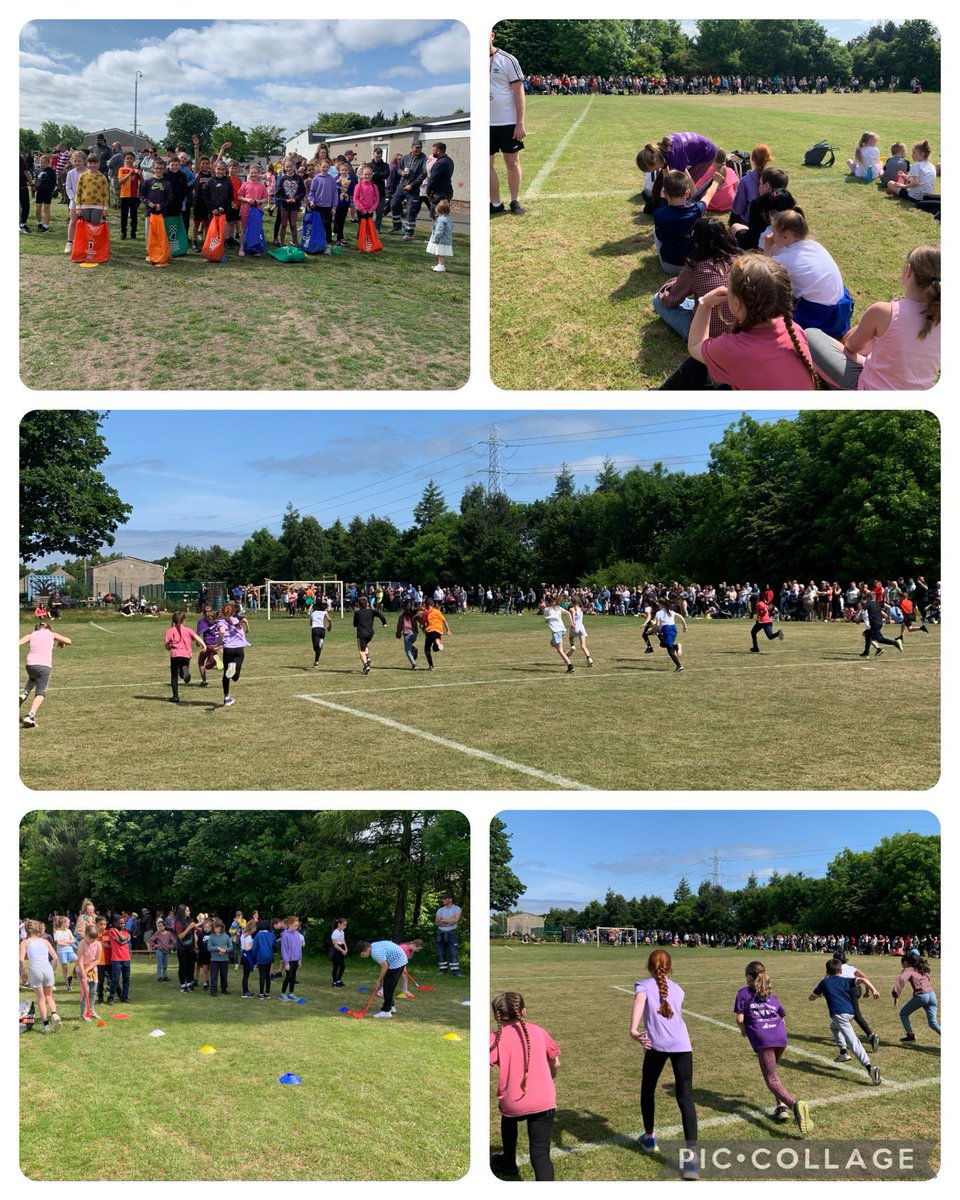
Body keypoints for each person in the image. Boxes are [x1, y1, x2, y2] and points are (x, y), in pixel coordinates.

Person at [662, 254, 819, 390]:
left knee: (695, 365)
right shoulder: (794, 329)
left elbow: (695, 346)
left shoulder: (732, 348)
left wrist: (705, 303)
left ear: (737, 303)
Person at [805, 244, 940, 390]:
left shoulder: (883, 311)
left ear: (908, 271)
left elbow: (851, 346)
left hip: (870, 389)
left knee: (810, 335)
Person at [630, 949, 699, 1180]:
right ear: (670, 967)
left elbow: (640, 1001)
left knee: (648, 1089)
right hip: (682, 1045)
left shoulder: (643, 986)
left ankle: (649, 1138)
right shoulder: (678, 989)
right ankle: (692, 1159)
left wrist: (633, 1029)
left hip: (656, 1045)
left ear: (649, 966)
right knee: (686, 1097)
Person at [489, 991, 560, 1181]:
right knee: (540, 1153)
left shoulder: (494, 1038)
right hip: (544, 1100)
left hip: (512, 1103)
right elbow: (556, 1063)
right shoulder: (540, 1031)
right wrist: (549, 1079)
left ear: (496, 1016)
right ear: (524, 1011)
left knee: (508, 1118)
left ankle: (508, 1161)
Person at [734, 961, 811, 1132]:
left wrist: (743, 1029)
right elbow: (782, 1017)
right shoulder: (770, 994)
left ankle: (794, 1105)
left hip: (764, 1040)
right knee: (773, 1072)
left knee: (771, 1079)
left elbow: (740, 1018)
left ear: (749, 976)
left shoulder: (743, 992)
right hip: (780, 1036)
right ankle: (781, 1107)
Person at [764, 209, 851, 338]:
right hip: (841, 301)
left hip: (817, 312)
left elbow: (764, 274)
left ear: (786, 236)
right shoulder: (814, 245)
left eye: (774, 232)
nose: (771, 235)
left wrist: (767, 246)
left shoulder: (787, 258)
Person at [653, 217, 741, 342]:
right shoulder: (740, 261)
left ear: (696, 240)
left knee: (657, 299)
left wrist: (673, 283)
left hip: (704, 337)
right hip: (739, 331)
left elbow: (670, 300)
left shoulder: (695, 266)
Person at [809, 958, 881, 1085]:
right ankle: (843, 1052)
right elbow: (863, 979)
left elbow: (811, 997)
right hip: (851, 1013)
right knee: (834, 1027)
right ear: (841, 970)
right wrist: (874, 990)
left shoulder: (824, 982)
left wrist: (818, 995)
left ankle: (870, 1068)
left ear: (827, 971)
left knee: (853, 1041)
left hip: (839, 1015)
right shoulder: (846, 980)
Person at [652, 169, 724, 274]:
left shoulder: (658, 214)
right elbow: (708, 195)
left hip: (669, 266)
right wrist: (716, 181)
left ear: (664, 193)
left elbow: (660, 236)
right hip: (692, 263)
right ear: (687, 193)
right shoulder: (696, 210)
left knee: (655, 231)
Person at [489, 30, 526, 217]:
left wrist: (520, 123)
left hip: (507, 121)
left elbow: (519, 92)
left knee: (512, 162)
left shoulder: (507, 60)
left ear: (492, 35)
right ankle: (495, 203)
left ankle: (514, 200)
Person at [20, 619, 72, 728]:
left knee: (33, 678)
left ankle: (24, 694)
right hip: (44, 666)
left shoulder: (32, 635)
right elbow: (68, 641)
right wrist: (60, 641)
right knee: (41, 692)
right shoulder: (52, 634)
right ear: (48, 628)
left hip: (30, 665)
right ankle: (30, 716)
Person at [19, 921, 61, 1034]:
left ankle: (46, 1025)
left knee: (41, 999)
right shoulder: (45, 941)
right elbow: (56, 958)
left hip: (35, 970)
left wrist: (23, 972)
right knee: (49, 996)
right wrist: (54, 970)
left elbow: (21, 960)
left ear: (27, 930)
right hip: (48, 968)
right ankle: (54, 1014)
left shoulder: (25, 942)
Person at [893, 949, 940, 1042]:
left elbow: (901, 980)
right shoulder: (921, 968)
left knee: (903, 1013)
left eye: (902, 964)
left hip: (922, 996)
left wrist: (895, 994)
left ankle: (910, 1035)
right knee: (933, 1023)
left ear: (905, 962)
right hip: (932, 994)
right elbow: (928, 978)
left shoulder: (908, 969)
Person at [354, 938, 408, 1017]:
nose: (362, 956)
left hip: (397, 962)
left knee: (388, 987)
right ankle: (391, 1007)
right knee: (389, 986)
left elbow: (385, 967)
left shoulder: (376, 952)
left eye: (363, 954)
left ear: (368, 949)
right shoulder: (373, 946)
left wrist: (379, 980)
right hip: (398, 959)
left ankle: (386, 1011)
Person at [389, 140, 427, 239]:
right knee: (393, 204)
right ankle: (397, 225)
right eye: (416, 147)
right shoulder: (405, 157)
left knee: (411, 210)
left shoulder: (424, 159)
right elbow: (399, 168)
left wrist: (412, 185)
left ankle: (409, 232)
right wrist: (401, 173)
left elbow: (423, 175)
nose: (418, 149)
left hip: (413, 189)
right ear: (412, 147)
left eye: (420, 147)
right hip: (401, 186)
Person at [164, 611, 204, 703]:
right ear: (183, 620)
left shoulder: (170, 630)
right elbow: (196, 637)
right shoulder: (188, 630)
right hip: (186, 655)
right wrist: (204, 645)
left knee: (174, 676)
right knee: (183, 672)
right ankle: (184, 671)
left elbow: (166, 645)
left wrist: (169, 647)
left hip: (175, 654)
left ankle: (175, 696)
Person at [216, 602, 250, 706]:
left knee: (226, 675)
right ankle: (234, 670)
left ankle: (226, 697)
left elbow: (222, 632)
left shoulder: (221, 622)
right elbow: (245, 621)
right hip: (239, 649)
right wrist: (247, 629)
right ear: (234, 612)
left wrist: (219, 644)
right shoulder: (236, 620)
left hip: (228, 649)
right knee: (235, 677)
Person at [730, 144, 773, 225]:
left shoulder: (745, 181)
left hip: (749, 222)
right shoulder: (775, 178)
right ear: (769, 158)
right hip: (770, 222)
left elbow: (737, 208)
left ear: (752, 159)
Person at [886, 140, 937, 205]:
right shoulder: (931, 166)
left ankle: (895, 192)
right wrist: (904, 176)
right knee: (902, 186)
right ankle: (895, 192)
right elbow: (920, 181)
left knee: (890, 183)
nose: (912, 155)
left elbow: (915, 183)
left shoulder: (915, 166)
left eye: (914, 153)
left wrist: (903, 186)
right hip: (927, 196)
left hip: (914, 197)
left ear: (922, 154)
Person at [237, 165, 269, 256]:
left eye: (255, 173)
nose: (253, 175)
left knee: (255, 229)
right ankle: (242, 247)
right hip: (246, 210)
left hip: (257, 211)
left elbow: (265, 198)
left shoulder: (262, 186)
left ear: (259, 174)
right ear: (248, 173)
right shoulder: (245, 184)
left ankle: (255, 248)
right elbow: (239, 196)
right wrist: (247, 200)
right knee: (244, 229)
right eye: (252, 173)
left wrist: (259, 201)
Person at [353, 594, 386, 674]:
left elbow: (354, 624)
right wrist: (384, 623)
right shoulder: (371, 611)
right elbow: (380, 615)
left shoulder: (357, 613)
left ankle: (365, 665)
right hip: (370, 633)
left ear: (359, 605)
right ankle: (367, 657)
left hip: (361, 634)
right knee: (365, 644)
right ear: (367, 604)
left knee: (361, 650)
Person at [75, 153, 109, 228]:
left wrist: (105, 208)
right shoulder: (82, 176)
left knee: (94, 227)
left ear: (99, 163)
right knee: (85, 227)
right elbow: (78, 192)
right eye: (90, 163)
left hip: (98, 206)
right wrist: (78, 207)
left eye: (95, 163)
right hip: (84, 206)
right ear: (87, 163)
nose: (93, 165)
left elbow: (105, 193)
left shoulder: (102, 177)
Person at [653, 596, 686, 671]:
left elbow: (657, 625)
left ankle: (679, 666)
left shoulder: (659, 613)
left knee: (670, 650)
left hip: (667, 630)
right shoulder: (670, 611)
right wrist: (685, 626)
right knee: (662, 644)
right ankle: (675, 647)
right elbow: (681, 617)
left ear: (661, 604)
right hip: (673, 629)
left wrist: (654, 629)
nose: (658, 605)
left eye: (658, 603)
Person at [419, 599, 451, 671]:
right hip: (437, 631)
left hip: (429, 632)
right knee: (435, 646)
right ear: (433, 604)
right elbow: (444, 621)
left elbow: (421, 625)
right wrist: (448, 630)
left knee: (427, 650)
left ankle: (431, 666)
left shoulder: (425, 613)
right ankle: (438, 643)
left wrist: (422, 628)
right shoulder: (437, 611)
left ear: (426, 605)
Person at [106, 914, 132, 1005]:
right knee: (115, 979)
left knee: (126, 979)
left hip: (126, 958)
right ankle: (111, 997)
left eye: (123, 923)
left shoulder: (126, 932)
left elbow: (122, 939)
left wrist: (122, 937)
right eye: (120, 923)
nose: (122, 925)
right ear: (115, 923)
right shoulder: (112, 931)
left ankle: (125, 997)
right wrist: (125, 939)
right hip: (116, 959)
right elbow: (121, 942)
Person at [77, 925, 101, 1020]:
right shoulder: (81, 944)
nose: (92, 940)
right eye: (90, 938)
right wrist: (84, 975)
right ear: (85, 934)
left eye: (94, 938)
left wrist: (88, 970)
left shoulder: (98, 944)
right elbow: (80, 961)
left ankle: (91, 1011)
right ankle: (83, 1014)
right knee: (85, 991)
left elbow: (97, 960)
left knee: (93, 991)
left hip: (92, 969)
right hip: (81, 969)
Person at [425, 141, 454, 218]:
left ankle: (437, 226)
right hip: (447, 191)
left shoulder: (439, 163)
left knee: (435, 215)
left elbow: (433, 179)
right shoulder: (449, 161)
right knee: (444, 215)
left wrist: (428, 191)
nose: (432, 152)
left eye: (433, 150)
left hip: (439, 193)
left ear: (438, 151)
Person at [435, 893, 462, 977]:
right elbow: (437, 922)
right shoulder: (440, 910)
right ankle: (442, 970)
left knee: (453, 952)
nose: (442, 900)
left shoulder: (457, 909)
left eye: (444, 898)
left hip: (451, 933)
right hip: (440, 933)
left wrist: (443, 920)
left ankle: (455, 972)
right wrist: (449, 921)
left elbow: (455, 920)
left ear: (450, 899)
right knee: (441, 952)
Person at [174, 904, 198, 992]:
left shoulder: (189, 919)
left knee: (191, 966)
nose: (189, 912)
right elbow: (180, 936)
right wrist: (189, 927)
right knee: (183, 966)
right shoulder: (178, 922)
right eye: (187, 910)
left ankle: (189, 984)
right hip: (182, 948)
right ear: (182, 912)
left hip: (191, 948)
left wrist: (203, 924)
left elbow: (194, 928)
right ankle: (183, 985)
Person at [279, 916, 303, 1001]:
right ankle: (282, 993)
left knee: (293, 977)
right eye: (295, 926)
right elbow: (284, 949)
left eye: (297, 926)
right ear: (289, 924)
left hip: (296, 959)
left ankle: (291, 993)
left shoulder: (296, 934)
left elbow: (299, 947)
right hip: (288, 960)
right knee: (288, 976)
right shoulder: (285, 935)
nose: (296, 927)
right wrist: (286, 962)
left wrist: (299, 959)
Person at [253, 919, 278, 999]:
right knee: (268, 975)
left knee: (262, 975)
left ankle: (261, 993)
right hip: (269, 957)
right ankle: (267, 993)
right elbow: (275, 946)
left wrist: (254, 958)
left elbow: (255, 948)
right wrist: (273, 951)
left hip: (261, 956)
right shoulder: (272, 935)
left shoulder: (258, 935)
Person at [206, 920, 232, 996]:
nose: (216, 929)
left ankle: (224, 989)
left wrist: (225, 950)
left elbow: (231, 947)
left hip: (224, 960)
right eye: (214, 927)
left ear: (221, 927)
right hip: (214, 960)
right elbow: (209, 948)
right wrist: (218, 948)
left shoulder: (226, 936)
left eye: (217, 927)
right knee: (214, 976)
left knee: (224, 975)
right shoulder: (211, 937)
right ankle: (213, 990)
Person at [426, 199, 453, 272]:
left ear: (439, 210)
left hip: (441, 240)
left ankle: (441, 265)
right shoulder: (447, 219)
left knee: (440, 253)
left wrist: (435, 238)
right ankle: (439, 264)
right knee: (440, 253)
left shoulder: (441, 220)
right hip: (445, 239)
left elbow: (439, 231)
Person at [33, 154, 57, 233]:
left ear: (48, 163)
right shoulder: (38, 170)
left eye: (44, 163)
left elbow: (53, 183)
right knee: (37, 208)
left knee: (46, 208)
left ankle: (46, 226)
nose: (42, 164)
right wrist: (34, 188)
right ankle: (39, 223)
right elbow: (37, 181)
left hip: (47, 192)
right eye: (41, 162)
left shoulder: (51, 171)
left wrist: (46, 178)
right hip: (39, 192)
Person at [53, 916, 78, 991]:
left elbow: (73, 940)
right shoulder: (56, 932)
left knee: (78, 961)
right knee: (64, 967)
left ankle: (74, 975)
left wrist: (64, 942)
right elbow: (59, 943)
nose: (69, 924)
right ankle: (68, 984)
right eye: (68, 923)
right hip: (62, 952)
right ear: (63, 923)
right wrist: (68, 942)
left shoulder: (68, 931)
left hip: (70, 951)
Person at [567, 598, 593, 665]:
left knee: (570, 638)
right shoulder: (581, 609)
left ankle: (572, 646)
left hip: (575, 627)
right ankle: (589, 658)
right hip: (581, 628)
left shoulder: (571, 609)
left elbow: (573, 618)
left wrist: (572, 624)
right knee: (583, 645)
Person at [396, 600, 420, 669]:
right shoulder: (414, 614)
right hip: (415, 633)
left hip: (407, 633)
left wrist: (398, 633)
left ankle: (413, 664)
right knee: (409, 646)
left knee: (407, 650)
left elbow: (399, 625)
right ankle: (413, 648)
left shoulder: (402, 615)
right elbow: (420, 619)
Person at [330, 917, 348, 988]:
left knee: (342, 966)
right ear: (339, 924)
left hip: (341, 949)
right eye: (344, 925)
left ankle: (338, 980)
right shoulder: (335, 932)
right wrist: (342, 951)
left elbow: (343, 941)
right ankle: (334, 982)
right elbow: (335, 945)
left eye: (345, 925)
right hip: (336, 951)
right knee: (336, 967)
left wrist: (346, 949)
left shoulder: (342, 932)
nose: (345, 926)